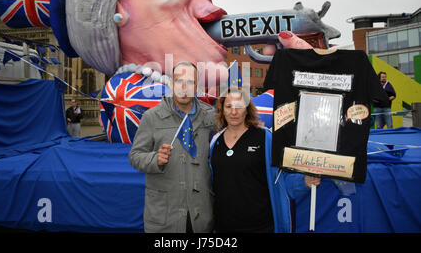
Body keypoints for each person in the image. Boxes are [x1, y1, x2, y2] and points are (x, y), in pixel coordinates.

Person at [209, 87, 320, 233]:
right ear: (222, 109)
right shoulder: (215, 142)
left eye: (239, 106)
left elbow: (282, 179)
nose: (234, 112)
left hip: (260, 226)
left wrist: (304, 181)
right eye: (229, 106)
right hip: (224, 226)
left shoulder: (265, 138)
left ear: (247, 109)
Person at [129, 62, 216, 233]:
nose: (184, 87)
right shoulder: (152, 117)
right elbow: (135, 155)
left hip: (201, 214)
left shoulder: (211, 116)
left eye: (190, 82)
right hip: (166, 215)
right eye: (178, 81)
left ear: (196, 86)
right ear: (170, 84)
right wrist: (155, 159)